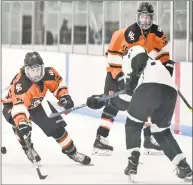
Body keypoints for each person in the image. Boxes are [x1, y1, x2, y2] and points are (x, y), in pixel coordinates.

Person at [86, 1, 175, 156]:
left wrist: (167, 66)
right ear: (138, 17)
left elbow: (162, 54)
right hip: (117, 71)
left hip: (139, 75)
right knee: (113, 104)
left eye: (148, 17)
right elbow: (113, 57)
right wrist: (120, 78)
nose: (145, 21)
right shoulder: (128, 34)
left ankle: (148, 140)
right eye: (142, 17)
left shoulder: (158, 33)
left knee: (147, 103)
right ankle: (100, 139)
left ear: (152, 18)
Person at [2, 51, 91, 165]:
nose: (36, 74)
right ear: (26, 70)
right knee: (22, 130)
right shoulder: (21, 85)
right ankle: (28, 149)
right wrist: (22, 122)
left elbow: (58, 86)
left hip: (35, 103)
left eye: (38, 69)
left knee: (57, 128)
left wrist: (64, 97)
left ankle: (73, 153)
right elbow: (19, 106)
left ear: (43, 68)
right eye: (32, 70)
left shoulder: (49, 73)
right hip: (12, 105)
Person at [123, 45, 192, 182]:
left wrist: (132, 81)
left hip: (150, 87)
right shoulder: (156, 64)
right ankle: (183, 166)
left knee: (133, 124)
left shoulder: (134, 53)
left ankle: (133, 162)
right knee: (161, 131)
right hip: (170, 92)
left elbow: (139, 58)